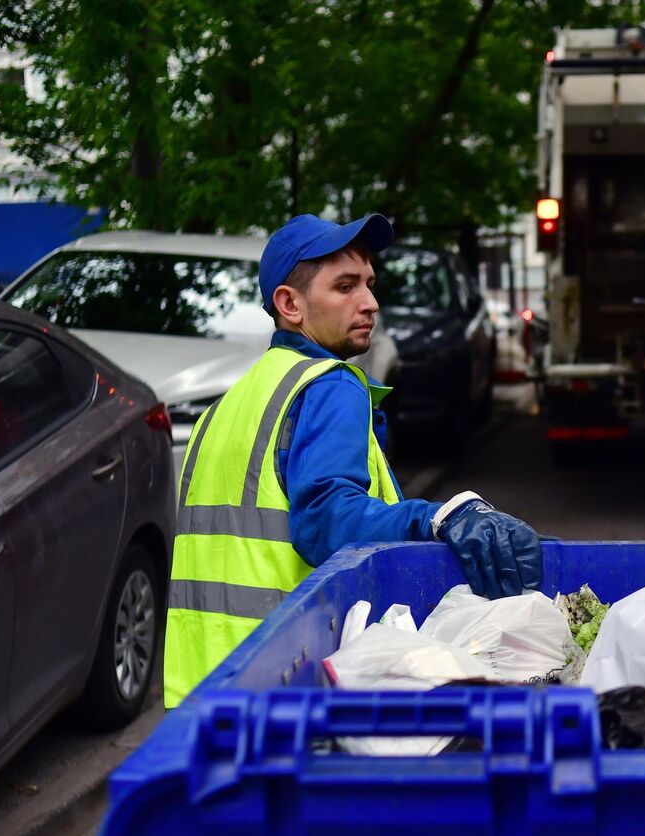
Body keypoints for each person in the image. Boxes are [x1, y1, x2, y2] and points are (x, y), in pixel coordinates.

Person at [163, 213, 542, 707]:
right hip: (285, 683)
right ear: (289, 304)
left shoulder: (227, 407)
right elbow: (324, 520)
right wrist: (438, 518)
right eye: (345, 287)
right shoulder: (330, 384)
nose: (370, 303)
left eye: (369, 284)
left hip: (201, 691)